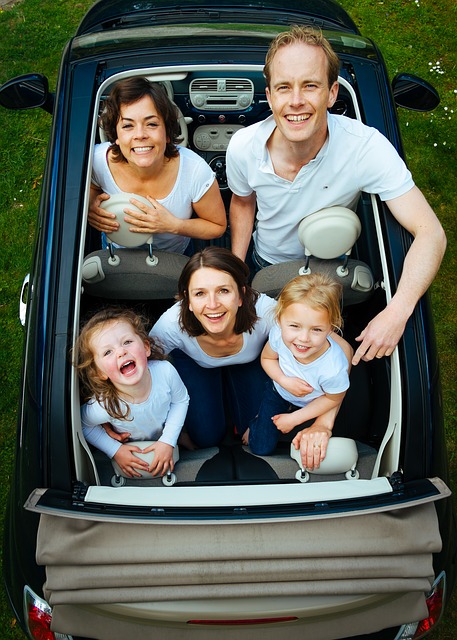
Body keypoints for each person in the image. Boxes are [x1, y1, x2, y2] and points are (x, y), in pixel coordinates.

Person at [226, 25, 446, 366]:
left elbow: (431, 232)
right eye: (284, 87)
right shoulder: (243, 147)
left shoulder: (365, 148)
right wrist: (238, 269)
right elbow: (242, 202)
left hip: (329, 272)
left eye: (310, 85)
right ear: (269, 96)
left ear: (331, 93)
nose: (296, 101)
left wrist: (396, 312)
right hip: (265, 262)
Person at [150, 246, 352, 457]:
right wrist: (171, 429)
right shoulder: (172, 324)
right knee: (206, 438)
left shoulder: (265, 311)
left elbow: (344, 349)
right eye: (200, 293)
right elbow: (147, 368)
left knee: (254, 431)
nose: (212, 304)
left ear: (241, 295)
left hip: (250, 361)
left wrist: (323, 423)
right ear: (188, 300)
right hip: (195, 363)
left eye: (223, 291)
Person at [89, 76, 226, 254]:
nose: (140, 135)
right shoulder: (96, 161)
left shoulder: (194, 171)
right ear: (116, 135)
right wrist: (90, 207)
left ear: (167, 133)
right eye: (128, 126)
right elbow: (90, 188)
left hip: (175, 256)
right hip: (115, 252)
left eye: (152, 124)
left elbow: (217, 226)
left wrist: (173, 225)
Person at [248, 273, 350, 470]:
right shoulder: (278, 334)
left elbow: (334, 398)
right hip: (278, 391)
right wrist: (283, 380)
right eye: (294, 326)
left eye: (316, 330)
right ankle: (257, 423)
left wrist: (295, 419)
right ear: (279, 320)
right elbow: (267, 358)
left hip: (314, 403)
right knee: (260, 447)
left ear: (331, 328)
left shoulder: (333, 368)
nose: (303, 338)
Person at [75, 308, 189, 478]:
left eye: (127, 342)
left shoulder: (165, 372)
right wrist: (115, 450)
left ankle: (181, 436)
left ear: (146, 347)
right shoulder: (105, 404)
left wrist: (168, 440)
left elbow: (180, 401)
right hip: (133, 445)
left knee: (190, 440)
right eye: (108, 352)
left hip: (165, 432)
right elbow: (82, 425)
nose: (121, 352)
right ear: (99, 372)